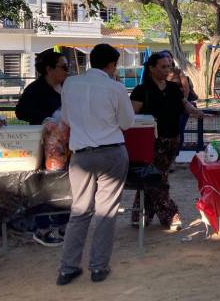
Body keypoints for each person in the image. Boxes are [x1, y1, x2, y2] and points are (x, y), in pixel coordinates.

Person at [57, 43, 135, 285]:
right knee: (105, 212)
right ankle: (99, 268)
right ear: (111, 65)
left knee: (79, 212)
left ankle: (67, 269)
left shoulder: (70, 84)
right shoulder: (116, 88)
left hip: (81, 155)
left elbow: (67, 119)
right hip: (112, 153)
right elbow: (127, 123)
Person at [130, 53, 203, 230]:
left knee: (153, 177)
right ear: (152, 68)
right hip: (150, 141)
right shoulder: (141, 90)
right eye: (163, 67)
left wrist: (194, 111)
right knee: (158, 178)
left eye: (168, 66)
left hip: (172, 139)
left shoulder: (173, 88)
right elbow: (130, 116)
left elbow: (184, 103)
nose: (167, 70)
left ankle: (140, 215)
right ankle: (170, 214)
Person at [15, 49, 70, 246]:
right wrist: (43, 119)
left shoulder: (67, 87)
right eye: (63, 67)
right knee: (45, 186)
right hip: (42, 148)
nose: (67, 71)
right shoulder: (35, 89)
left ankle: (64, 225)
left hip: (66, 147)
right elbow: (20, 111)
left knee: (66, 185)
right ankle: (42, 228)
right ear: (49, 69)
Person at [169, 66, 199, 146]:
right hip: (167, 107)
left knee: (179, 130)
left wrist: (184, 103)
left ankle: (177, 150)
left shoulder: (179, 72)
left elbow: (186, 88)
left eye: (169, 57)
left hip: (181, 106)